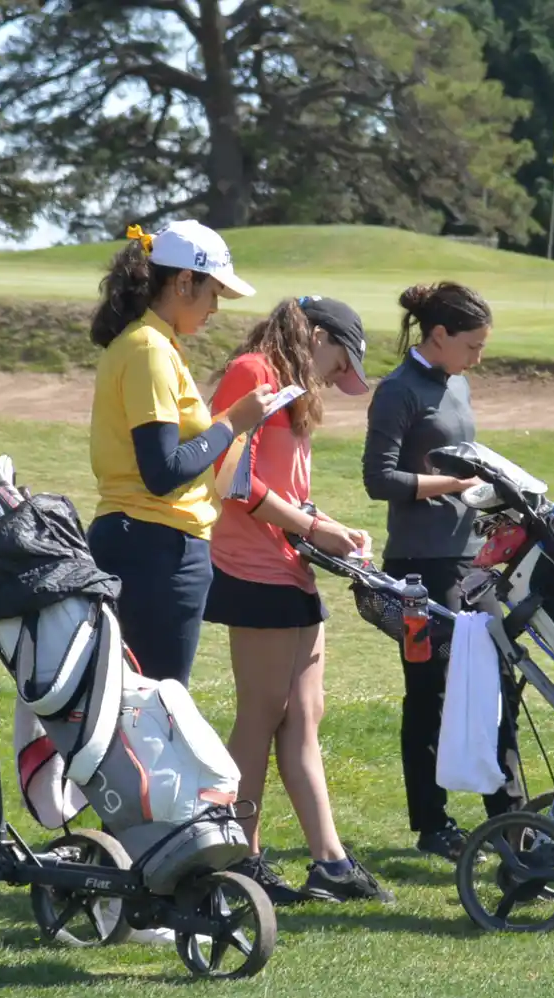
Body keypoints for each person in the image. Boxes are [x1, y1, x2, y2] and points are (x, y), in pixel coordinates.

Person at [204, 296, 395, 905]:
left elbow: (285, 491)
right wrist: (316, 530)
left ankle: (329, 862)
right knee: (260, 714)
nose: (337, 379)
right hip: (252, 570)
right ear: (315, 335)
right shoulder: (252, 374)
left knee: (304, 714)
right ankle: (242, 857)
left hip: (291, 569)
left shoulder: (287, 384)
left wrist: (330, 526)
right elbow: (229, 479)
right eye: (339, 364)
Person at [361, 281, 525, 862]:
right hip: (418, 569)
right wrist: (455, 484)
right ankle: (433, 826)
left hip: (467, 561)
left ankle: (510, 821)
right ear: (439, 335)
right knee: (429, 694)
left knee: (496, 683)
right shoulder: (398, 391)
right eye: (472, 345)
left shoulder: (457, 382)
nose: (479, 357)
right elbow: (379, 480)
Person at [85, 220, 273, 686]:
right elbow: (162, 471)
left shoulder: (155, 344)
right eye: (213, 294)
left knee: (141, 706)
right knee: (155, 708)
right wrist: (231, 424)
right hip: (153, 548)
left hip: (149, 543)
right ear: (184, 281)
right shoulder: (149, 349)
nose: (214, 309)